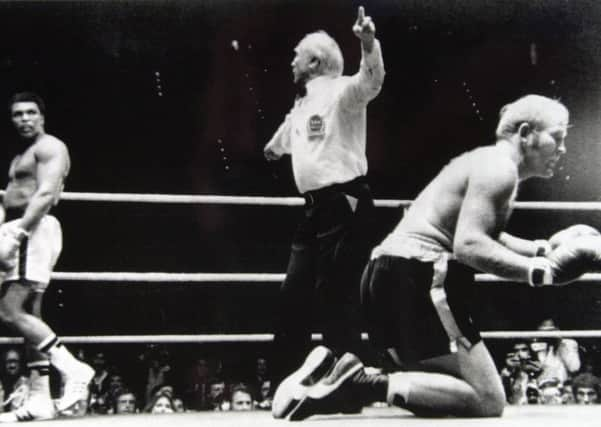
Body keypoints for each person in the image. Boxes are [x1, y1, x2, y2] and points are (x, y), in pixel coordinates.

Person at [273, 94, 601, 420]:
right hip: (418, 278)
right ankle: (361, 382)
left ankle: (337, 370)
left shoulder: (483, 162)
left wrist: (540, 249)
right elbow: (469, 245)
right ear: (526, 133)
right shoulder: (500, 170)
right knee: (489, 400)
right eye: (557, 137)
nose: (563, 149)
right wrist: (544, 271)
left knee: (446, 389)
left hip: (387, 274)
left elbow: (480, 230)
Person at [264, 5, 385, 388]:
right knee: (293, 292)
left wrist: (368, 43)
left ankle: (347, 387)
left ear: (315, 61)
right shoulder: (302, 103)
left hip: (347, 201)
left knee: (334, 293)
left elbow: (370, 81)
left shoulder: (340, 92)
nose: (291, 61)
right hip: (316, 209)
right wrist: (273, 148)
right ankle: (289, 382)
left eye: (297, 55)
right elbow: (287, 136)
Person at [0, 92, 94, 421]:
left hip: (32, 229)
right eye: (17, 114)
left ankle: (74, 368)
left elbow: (45, 193)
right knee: (29, 312)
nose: (24, 119)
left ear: (42, 116)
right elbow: (16, 194)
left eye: (30, 113)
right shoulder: (22, 154)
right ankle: (40, 398)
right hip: (22, 229)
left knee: (9, 310)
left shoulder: (50, 147)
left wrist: (18, 233)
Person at [529, 318, 580, 384]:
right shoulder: (534, 345)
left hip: (562, 385)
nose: (547, 334)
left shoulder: (568, 343)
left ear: (557, 329)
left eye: (551, 330)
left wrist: (560, 344)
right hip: (539, 386)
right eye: (544, 330)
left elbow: (574, 368)